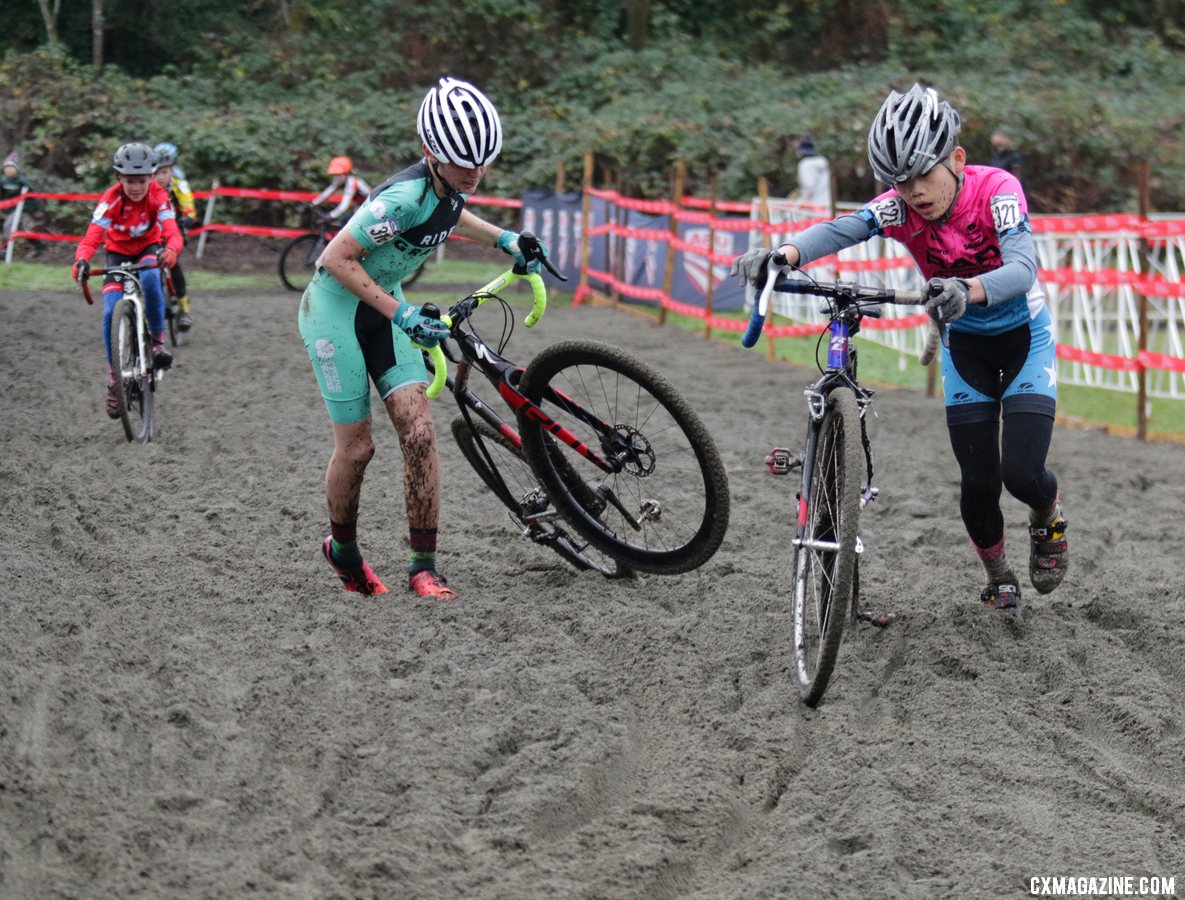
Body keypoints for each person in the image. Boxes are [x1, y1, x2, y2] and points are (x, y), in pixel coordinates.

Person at [731, 84, 1067, 617]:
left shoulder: (998, 190)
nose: (912, 191)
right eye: (898, 181)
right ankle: (998, 575)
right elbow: (846, 228)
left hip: (1024, 336)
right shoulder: (897, 209)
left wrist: (967, 288)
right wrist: (783, 254)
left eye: (921, 175)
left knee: (1020, 474)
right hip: (967, 348)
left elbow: (1023, 267)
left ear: (956, 159)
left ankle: (1047, 513)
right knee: (978, 482)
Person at [298, 76, 549, 601]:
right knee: (359, 447)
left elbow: (452, 213)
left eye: (484, 162)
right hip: (335, 312)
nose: (475, 173)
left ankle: (423, 567)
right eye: (464, 164)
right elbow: (335, 259)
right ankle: (342, 551)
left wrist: (505, 239)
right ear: (431, 154)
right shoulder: (402, 199)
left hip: (385, 307)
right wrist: (404, 313)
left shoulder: (448, 185)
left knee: (419, 434)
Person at [73, 142, 183, 419]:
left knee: (149, 277)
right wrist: (82, 260)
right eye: (129, 181)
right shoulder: (110, 199)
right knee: (110, 311)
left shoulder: (158, 196)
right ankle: (114, 381)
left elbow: (172, 232)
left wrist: (171, 250)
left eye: (142, 181)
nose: (136, 187)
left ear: (152, 177)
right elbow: (91, 237)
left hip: (147, 249)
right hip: (116, 254)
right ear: (118, 178)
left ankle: (157, 343)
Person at [152, 142, 198, 331]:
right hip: (152, 232)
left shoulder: (180, 185)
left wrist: (188, 218)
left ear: (172, 171)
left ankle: (184, 308)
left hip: (174, 231)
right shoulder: (145, 187)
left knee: (174, 265)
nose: (161, 177)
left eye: (165, 172)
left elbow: (189, 206)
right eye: (156, 173)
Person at [1, 152, 46, 255]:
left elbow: (33, 195)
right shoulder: (3, 181)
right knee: (24, 230)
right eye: (7, 167)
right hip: (9, 209)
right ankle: (39, 244)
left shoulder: (23, 181)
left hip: (23, 209)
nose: (9, 169)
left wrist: (37, 209)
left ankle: (5, 249)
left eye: (11, 167)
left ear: (16, 169)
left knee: (8, 225)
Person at [308, 156, 372, 224]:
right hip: (361, 206)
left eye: (338, 174)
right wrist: (313, 203)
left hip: (370, 206)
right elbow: (327, 193)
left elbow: (344, 206)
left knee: (347, 222)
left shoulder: (352, 182)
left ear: (345, 174)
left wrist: (330, 216)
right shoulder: (340, 179)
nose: (336, 177)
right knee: (344, 222)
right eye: (334, 174)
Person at [792, 137, 832, 213]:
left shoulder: (804, 164)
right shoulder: (823, 161)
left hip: (813, 207)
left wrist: (802, 201)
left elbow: (808, 186)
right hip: (826, 203)